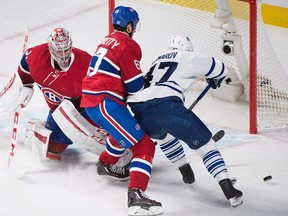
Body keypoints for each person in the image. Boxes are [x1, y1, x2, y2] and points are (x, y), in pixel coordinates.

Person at [127, 35, 243, 207]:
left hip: (140, 111)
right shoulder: (186, 57)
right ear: (187, 50)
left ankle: (185, 171)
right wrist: (215, 77)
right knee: (205, 144)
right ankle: (227, 187)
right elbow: (220, 67)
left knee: (163, 136)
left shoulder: (155, 62)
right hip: (167, 106)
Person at [81, 6, 164, 216]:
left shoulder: (106, 40)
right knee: (144, 145)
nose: (134, 29)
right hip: (105, 101)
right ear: (129, 26)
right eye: (133, 26)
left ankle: (106, 164)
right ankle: (136, 196)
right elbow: (135, 86)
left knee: (122, 134)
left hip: (94, 101)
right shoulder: (127, 44)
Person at [0, 28, 107, 161]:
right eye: (59, 51)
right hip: (59, 112)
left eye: (66, 50)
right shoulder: (35, 57)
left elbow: (101, 92)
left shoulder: (86, 62)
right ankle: (36, 129)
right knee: (52, 150)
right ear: (50, 48)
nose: (63, 55)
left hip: (83, 107)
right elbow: (21, 78)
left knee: (103, 142)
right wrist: (20, 89)